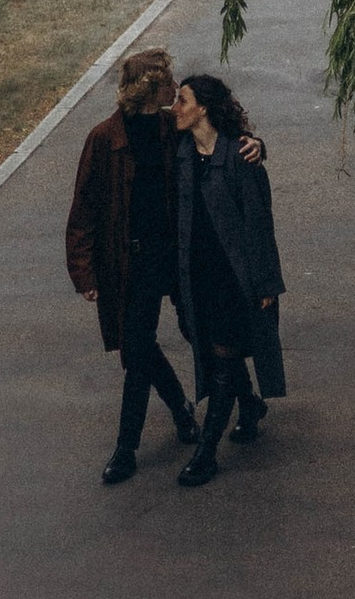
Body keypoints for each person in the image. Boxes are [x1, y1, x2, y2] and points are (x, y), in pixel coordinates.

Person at [63, 50, 264, 486]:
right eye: (168, 82)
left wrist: (258, 145)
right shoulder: (104, 139)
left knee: (201, 334)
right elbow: (83, 210)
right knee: (136, 351)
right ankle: (132, 443)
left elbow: (220, 140)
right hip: (133, 262)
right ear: (149, 88)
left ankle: (245, 401)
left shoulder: (170, 129)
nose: (176, 90)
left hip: (178, 256)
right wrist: (85, 273)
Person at [171, 68, 287, 485]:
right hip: (195, 279)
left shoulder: (239, 155)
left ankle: (207, 452)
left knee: (221, 357)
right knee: (213, 346)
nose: (175, 109)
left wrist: (266, 284)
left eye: (181, 101)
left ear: (202, 107)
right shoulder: (180, 152)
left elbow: (260, 223)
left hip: (234, 281)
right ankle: (250, 406)